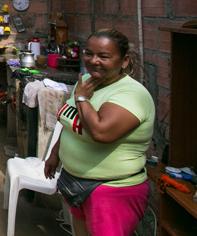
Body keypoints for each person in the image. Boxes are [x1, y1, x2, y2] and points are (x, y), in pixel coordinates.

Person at [43, 29, 155, 236]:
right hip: (76, 183)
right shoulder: (86, 81)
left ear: (124, 60)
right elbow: (70, 122)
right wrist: (55, 153)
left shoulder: (131, 94)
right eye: (89, 53)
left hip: (111, 190)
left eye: (103, 56)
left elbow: (100, 133)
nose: (93, 61)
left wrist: (82, 99)